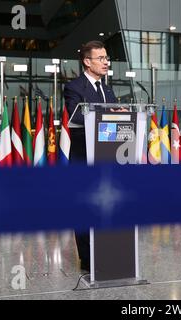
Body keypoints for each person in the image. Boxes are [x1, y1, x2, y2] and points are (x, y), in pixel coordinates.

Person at [64, 40, 117, 272]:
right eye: (101, 58)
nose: (106, 62)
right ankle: (87, 258)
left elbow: (115, 117)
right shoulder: (74, 87)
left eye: (107, 58)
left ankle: (108, 250)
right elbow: (76, 117)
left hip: (107, 158)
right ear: (87, 62)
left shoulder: (108, 89)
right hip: (83, 157)